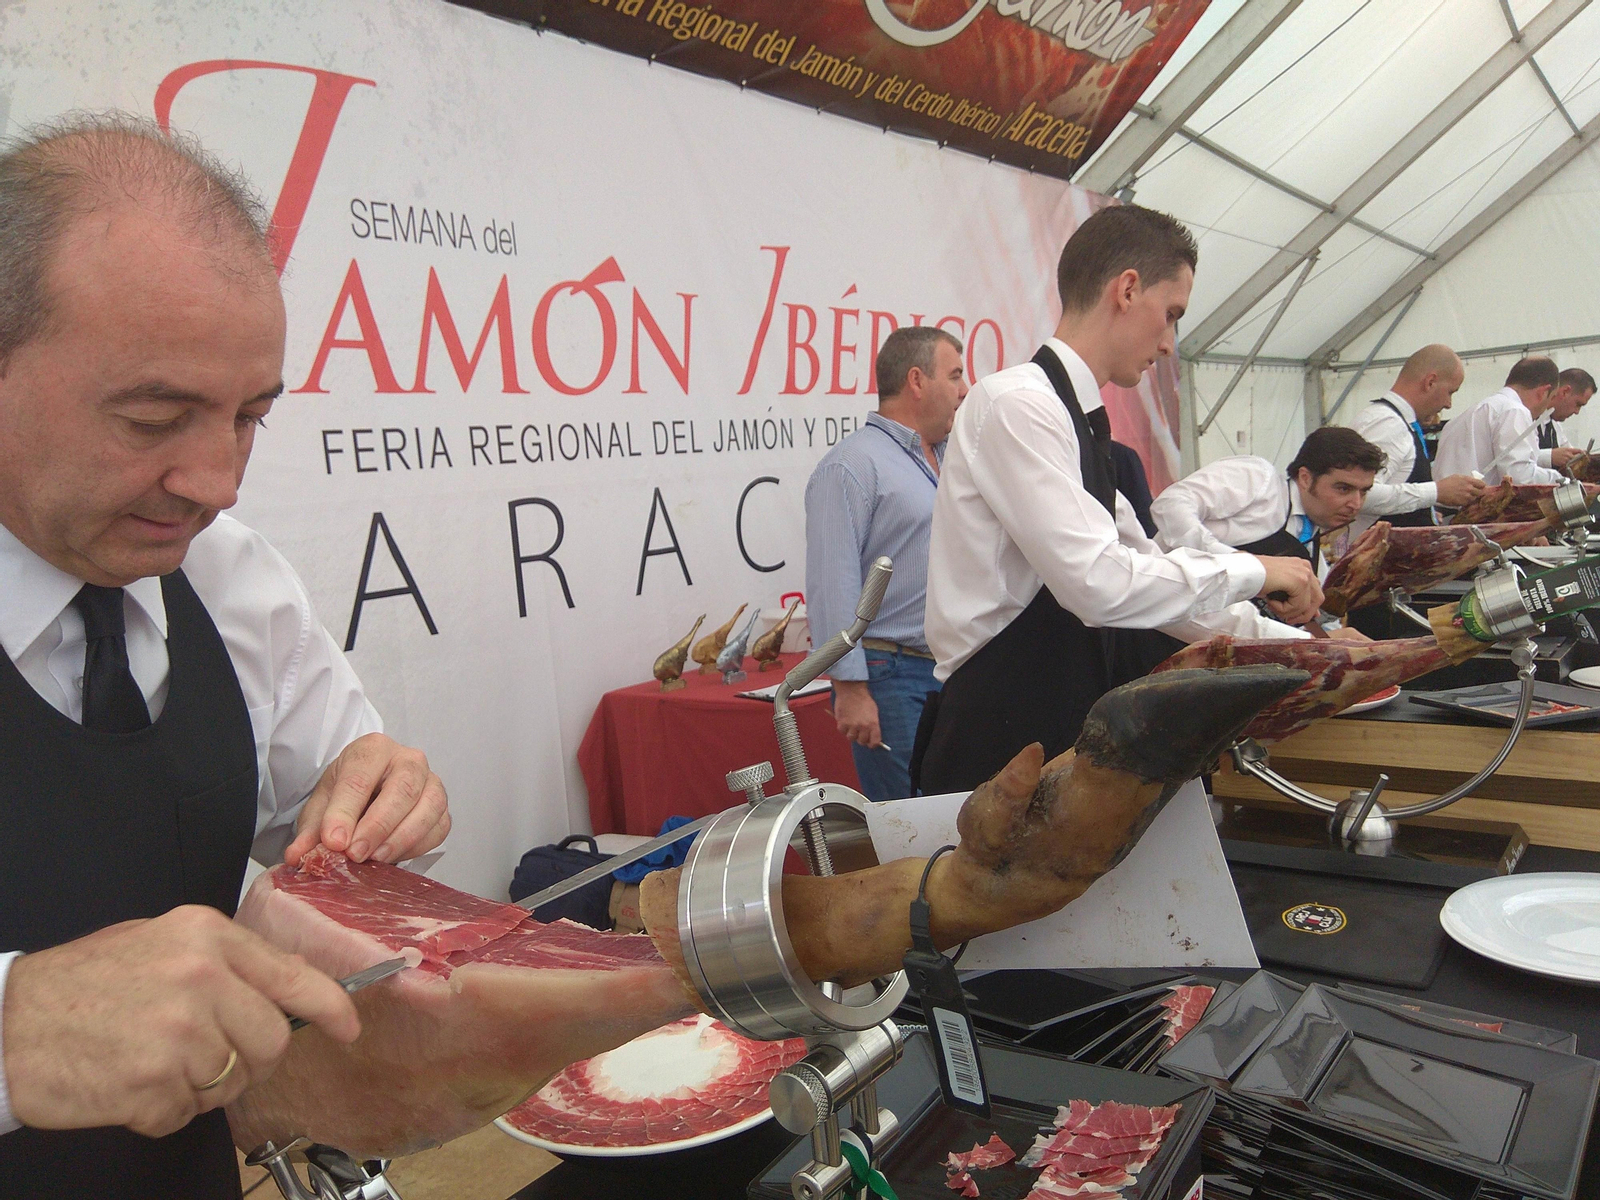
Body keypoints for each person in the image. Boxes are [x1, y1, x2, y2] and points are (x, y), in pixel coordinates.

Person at [0, 116, 451, 1197]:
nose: (218, 483)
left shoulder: (228, 579)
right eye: (156, 417)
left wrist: (388, 804)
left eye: (249, 418)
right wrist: (14, 1028)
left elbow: (339, 824)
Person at [913, 205, 1320, 796]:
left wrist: (1307, 649)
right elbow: (1097, 583)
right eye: (1171, 314)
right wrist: (1256, 570)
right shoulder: (1016, 405)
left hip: (1056, 723)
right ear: (1127, 289)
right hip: (999, 737)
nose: (1170, 343)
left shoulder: (1078, 423)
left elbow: (1151, 576)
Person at [804, 326, 967, 800]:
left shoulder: (954, 457)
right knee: (912, 830)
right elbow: (832, 584)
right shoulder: (851, 467)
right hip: (890, 675)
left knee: (954, 820)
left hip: (953, 668)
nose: (964, 390)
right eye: (954, 375)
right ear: (917, 381)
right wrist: (851, 689)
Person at [1150, 427, 1385, 583]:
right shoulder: (1258, 480)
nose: (1355, 504)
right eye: (1343, 488)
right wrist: (1240, 563)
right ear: (1305, 478)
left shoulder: (1314, 559)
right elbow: (1171, 504)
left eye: (1364, 492)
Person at [1346, 344, 1485, 535]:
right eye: (1450, 392)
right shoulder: (1388, 424)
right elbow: (1361, 495)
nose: (1449, 404)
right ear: (1430, 382)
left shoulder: (1399, 423)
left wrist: (1427, 508)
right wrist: (1436, 492)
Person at [1435, 357, 1572, 485]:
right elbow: (1519, 477)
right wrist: (1563, 480)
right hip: (1474, 507)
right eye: (1551, 397)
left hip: (1443, 507)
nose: (1547, 407)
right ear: (1543, 392)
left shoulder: (1471, 413)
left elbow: (1501, 459)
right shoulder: (1514, 411)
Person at [1534, 367, 1596, 460]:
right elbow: (1514, 458)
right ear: (1565, 392)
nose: (1577, 412)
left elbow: (1569, 452)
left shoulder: (1555, 426)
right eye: (1578, 404)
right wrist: (1550, 456)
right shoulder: (1525, 417)